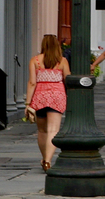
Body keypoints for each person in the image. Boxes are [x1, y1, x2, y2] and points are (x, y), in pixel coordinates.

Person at [25, 35, 70, 171]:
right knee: (53, 130)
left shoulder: (35, 60)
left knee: (42, 131)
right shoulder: (62, 61)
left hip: (39, 97)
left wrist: (28, 103)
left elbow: (32, 82)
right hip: (57, 97)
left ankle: (44, 157)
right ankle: (48, 161)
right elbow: (68, 79)